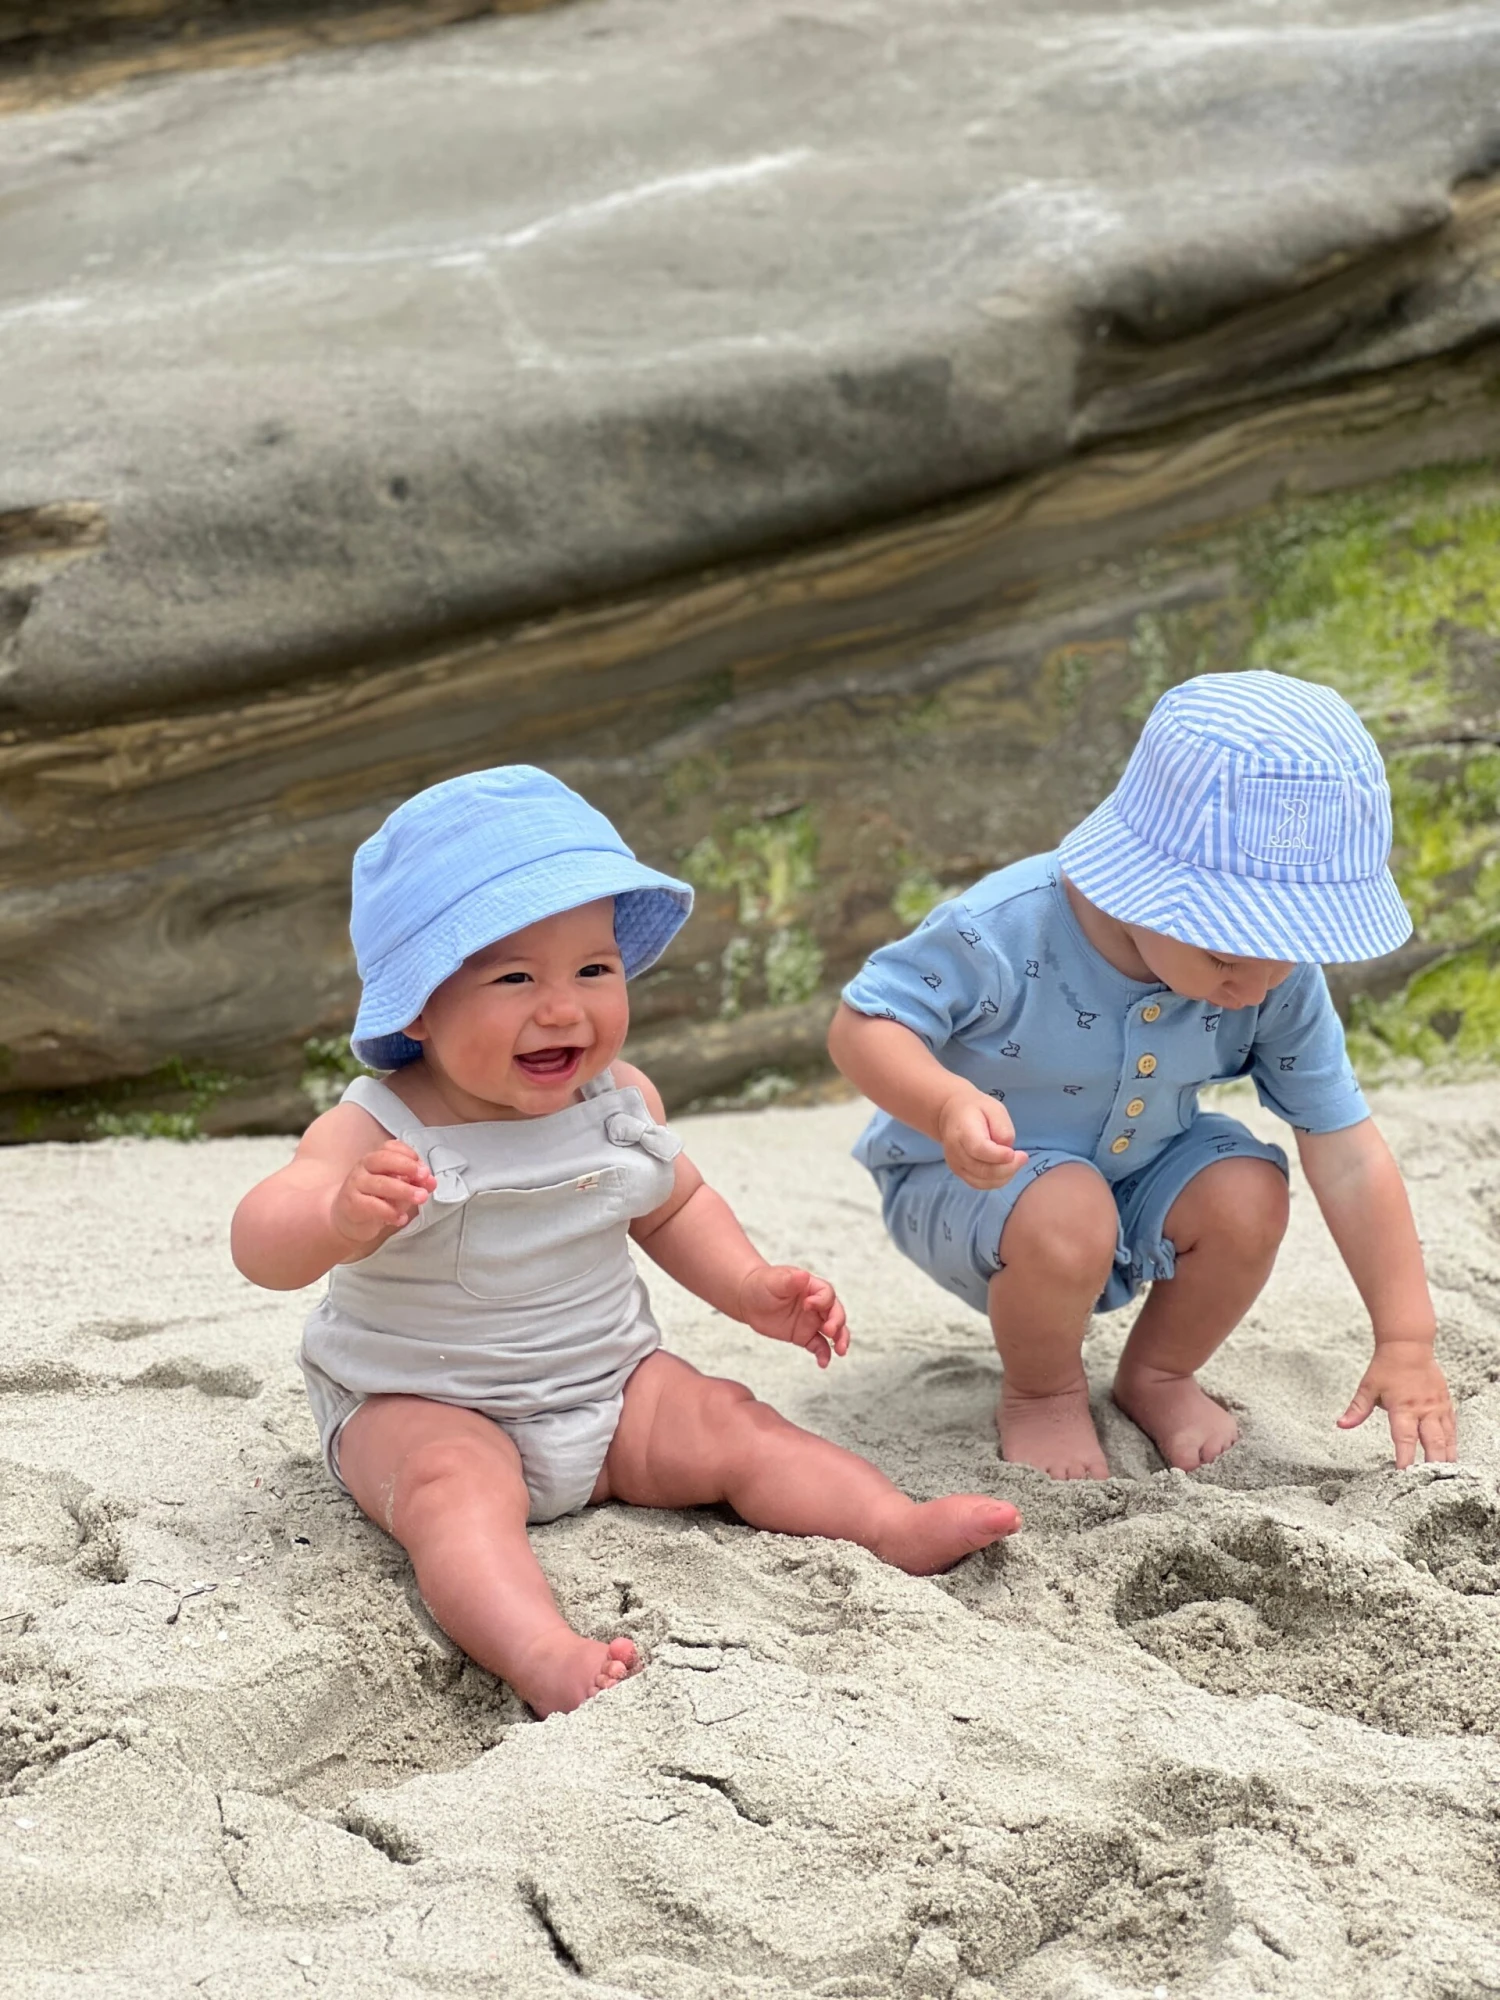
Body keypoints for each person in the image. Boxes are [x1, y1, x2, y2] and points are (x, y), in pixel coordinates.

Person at [231, 767, 1019, 1717]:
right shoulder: (378, 1125)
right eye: (515, 978)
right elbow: (257, 1242)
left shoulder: (619, 1100)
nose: (564, 1009)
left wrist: (749, 1285)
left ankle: (889, 1524)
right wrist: (336, 1217)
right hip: (424, 1402)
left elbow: (672, 1208)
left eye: (594, 971)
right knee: (449, 1495)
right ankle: (540, 1652)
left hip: (609, 1388)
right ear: (418, 1006)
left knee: (732, 1421)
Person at [828, 670, 1457, 1482]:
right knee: (1068, 1207)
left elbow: (1347, 1151)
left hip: (1135, 1171)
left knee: (1247, 1193)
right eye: (1227, 953)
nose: (1259, 987)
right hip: (961, 1180)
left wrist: (1406, 1337)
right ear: (1141, 886)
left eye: (1292, 949)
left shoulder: (1272, 976)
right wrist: (945, 1102)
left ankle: (1158, 1373)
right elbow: (862, 1026)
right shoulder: (1002, 929)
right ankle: (1044, 1392)